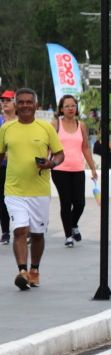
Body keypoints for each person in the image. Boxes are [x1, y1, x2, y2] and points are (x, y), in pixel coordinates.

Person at [0, 88, 65, 290]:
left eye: (29, 102)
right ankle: (22, 271)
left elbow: (60, 154)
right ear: (16, 105)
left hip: (39, 191)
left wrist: (50, 164)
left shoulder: (46, 128)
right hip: (14, 190)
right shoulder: (6, 129)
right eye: (21, 102)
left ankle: (34, 270)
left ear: (36, 106)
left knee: (37, 234)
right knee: (20, 230)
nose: (25, 105)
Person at [50, 95, 98, 247]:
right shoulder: (55, 124)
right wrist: (46, 163)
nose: (71, 108)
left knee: (79, 203)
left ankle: (73, 224)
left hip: (77, 168)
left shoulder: (81, 125)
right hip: (59, 169)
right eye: (67, 106)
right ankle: (68, 236)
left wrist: (92, 167)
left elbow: (85, 147)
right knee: (66, 202)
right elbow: (48, 146)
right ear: (61, 109)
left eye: (73, 105)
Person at [0, 89, 17, 245]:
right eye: (2, 100)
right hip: (2, 166)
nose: (4, 103)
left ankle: (26, 230)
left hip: (18, 166)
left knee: (21, 198)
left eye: (8, 100)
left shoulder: (21, 121)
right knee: (2, 199)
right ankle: (5, 231)